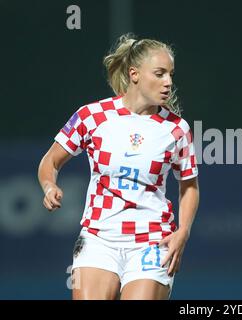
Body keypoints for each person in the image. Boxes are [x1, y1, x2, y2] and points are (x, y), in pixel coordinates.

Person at [37, 33, 200, 300]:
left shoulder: (176, 129)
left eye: (170, 74)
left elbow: (189, 186)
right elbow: (50, 161)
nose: (168, 82)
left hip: (152, 241)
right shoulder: (92, 116)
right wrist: (48, 185)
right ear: (134, 74)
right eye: (159, 74)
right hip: (99, 239)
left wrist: (183, 232)